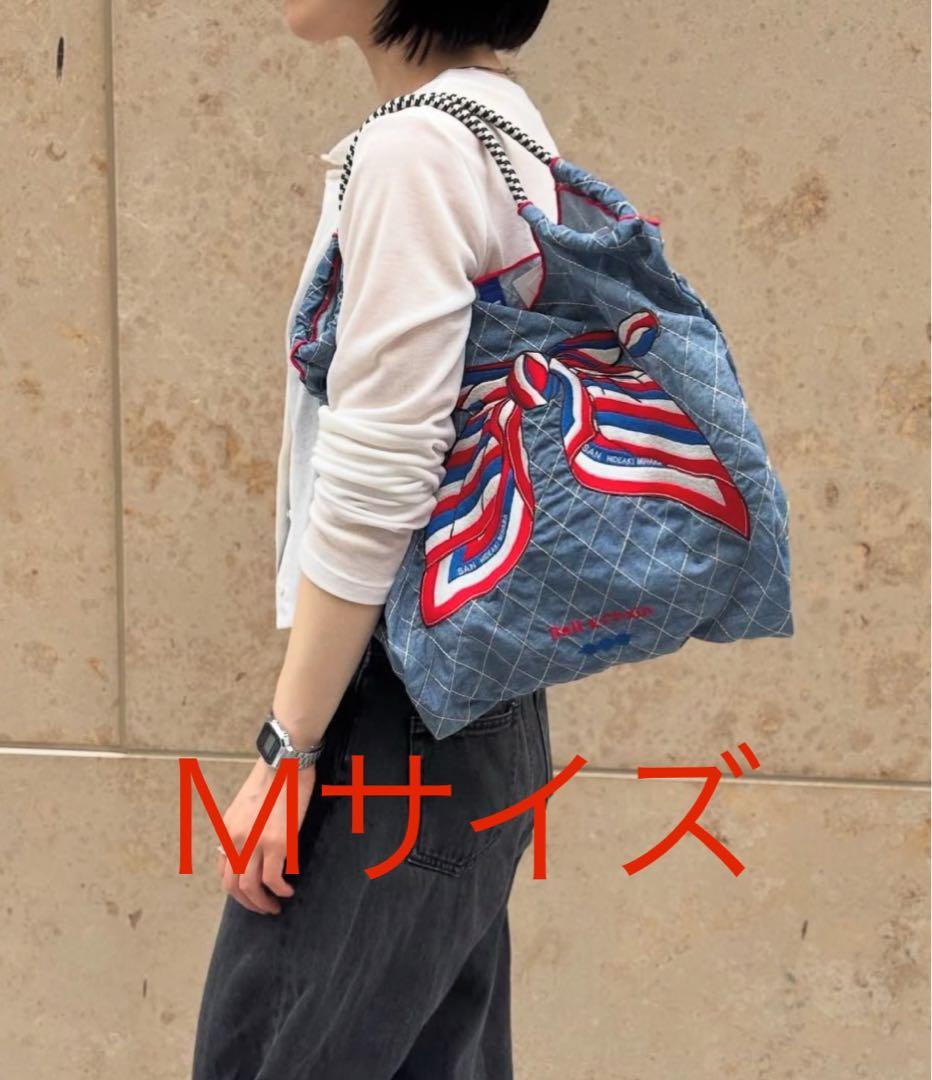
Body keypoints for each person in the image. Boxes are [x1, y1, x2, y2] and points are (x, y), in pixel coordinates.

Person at [192, 3, 557, 1077]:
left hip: (399, 714)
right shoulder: (500, 126)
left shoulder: (415, 150)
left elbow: (382, 471)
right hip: (477, 710)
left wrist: (290, 747)